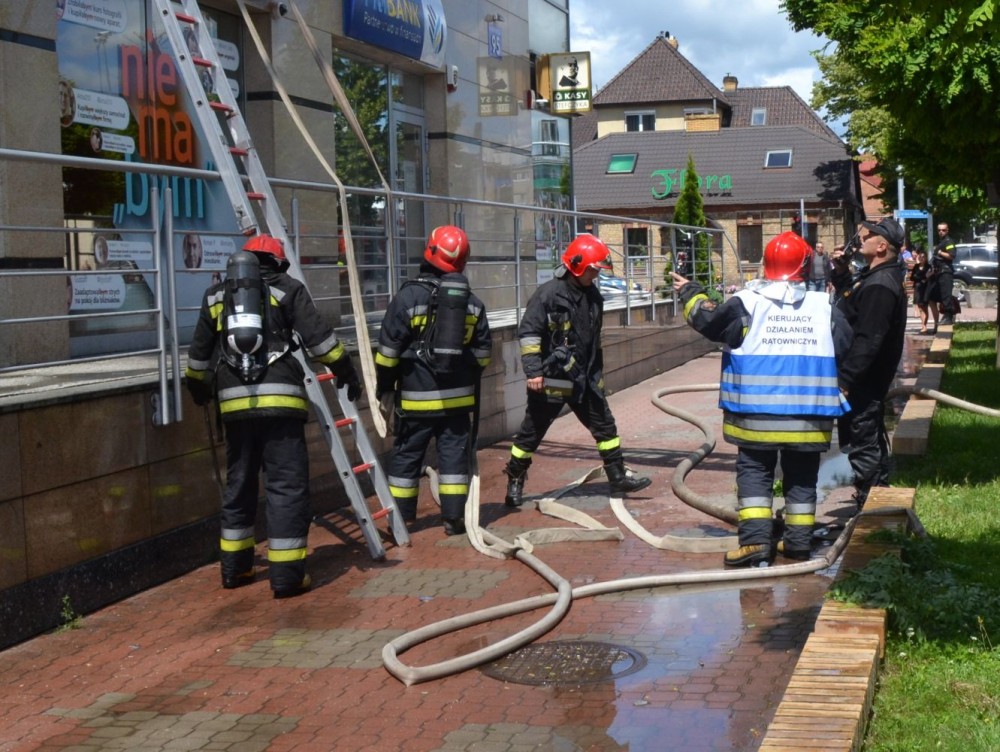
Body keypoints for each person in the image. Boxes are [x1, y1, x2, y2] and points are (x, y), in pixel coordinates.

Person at [185, 233, 361, 598]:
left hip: (233, 407)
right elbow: (321, 343)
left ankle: (236, 569)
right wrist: (347, 371)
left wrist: (200, 391)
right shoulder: (288, 289)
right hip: (282, 405)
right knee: (285, 487)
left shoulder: (216, 296)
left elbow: (198, 360)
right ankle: (287, 577)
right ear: (277, 262)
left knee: (239, 484)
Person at [671, 232, 852, 567]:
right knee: (802, 476)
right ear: (806, 266)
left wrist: (690, 292)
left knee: (755, 472)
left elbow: (709, 321)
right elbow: (845, 345)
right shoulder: (825, 307)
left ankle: (755, 542)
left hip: (754, 415)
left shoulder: (746, 302)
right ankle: (798, 543)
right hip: (809, 416)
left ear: (766, 264)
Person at [503, 234, 652, 508]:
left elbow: (593, 342)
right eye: (593, 269)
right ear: (577, 265)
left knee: (605, 426)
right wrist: (534, 372)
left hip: (583, 379)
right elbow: (529, 334)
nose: (596, 274)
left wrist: (597, 377)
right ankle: (515, 479)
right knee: (531, 433)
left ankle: (617, 476)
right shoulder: (548, 294)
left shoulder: (593, 296)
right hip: (552, 379)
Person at [375, 226, 492, 536]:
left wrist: (384, 387)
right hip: (459, 403)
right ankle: (454, 520)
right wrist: (462, 373)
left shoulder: (407, 297)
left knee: (407, 458)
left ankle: (401, 521)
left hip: (415, 400)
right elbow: (483, 356)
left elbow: (387, 354)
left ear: (429, 252)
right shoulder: (473, 304)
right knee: (454, 459)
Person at [834, 217, 908, 511]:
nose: (860, 240)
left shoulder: (881, 285)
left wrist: (846, 379)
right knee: (868, 434)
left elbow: (869, 338)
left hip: (865, 377)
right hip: (864, 376)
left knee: (863, 438)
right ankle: (876, 495)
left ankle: (873, 506)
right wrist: (842, 273)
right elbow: (852, 304)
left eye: (866, 237)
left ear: (881, 246)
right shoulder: (875, 276)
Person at [927, 222, 957, 324]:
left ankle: (948, 316)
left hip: (945, 272)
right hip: (938, 272)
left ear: (947, 230)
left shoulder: (948, 241)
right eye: (939, 230)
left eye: (943, 230)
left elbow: (952, 255)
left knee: (946, 295)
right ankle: (944, 316)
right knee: (933, 296)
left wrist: (940, 252)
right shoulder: (941, 242)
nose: (941, 232)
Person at [909, 248, 937, 334]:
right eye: (920, 257)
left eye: (923, 257)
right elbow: (912, 277)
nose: (922, 258)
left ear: (926, 258)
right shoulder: (916, 266)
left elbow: (928, 277)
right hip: (918, 289)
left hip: (926, 289)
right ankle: (923, 326)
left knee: (925, 307)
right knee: (920, 308)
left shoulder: (929, 267)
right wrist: (922, 278)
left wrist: (920, 277)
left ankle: (926, 324)